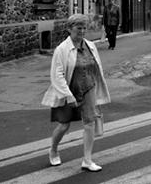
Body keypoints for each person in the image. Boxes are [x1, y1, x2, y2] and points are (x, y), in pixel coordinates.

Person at [41, 14, 111, 172]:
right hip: (69, 90)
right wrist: (67, 95)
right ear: (69, 29)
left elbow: (96, 67)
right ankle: (53, 149)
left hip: (88, 88)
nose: (82, 31)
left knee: (89, 122)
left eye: (84, 28)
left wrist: (96, 86)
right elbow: (57, 75)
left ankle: (87, 159)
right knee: (64, 125)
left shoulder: (90, 46)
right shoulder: (62, 49)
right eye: (79, 28)